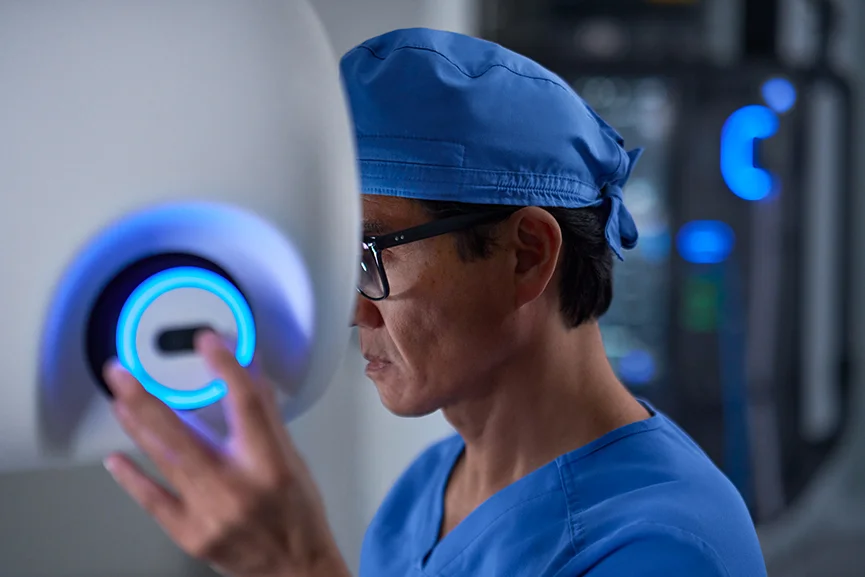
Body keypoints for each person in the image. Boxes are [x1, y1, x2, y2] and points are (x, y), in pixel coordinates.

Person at [101, 28, 768, 577]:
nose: (352, 312)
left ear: (526, 254)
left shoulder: (663, 546)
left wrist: (296, 565)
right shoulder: (426, 492)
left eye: (370, 254)